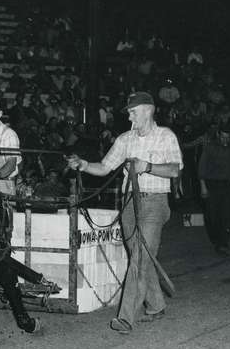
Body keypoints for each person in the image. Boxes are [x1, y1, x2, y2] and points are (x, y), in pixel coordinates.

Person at [67, 91, 182, 334]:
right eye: (129, 112)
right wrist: (84, 165)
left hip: (155, 203)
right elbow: (105, 167)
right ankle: (156, 305)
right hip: (130, 203)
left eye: (133, 111)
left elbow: (174, 170)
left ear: (148, 110)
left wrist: (147, 166)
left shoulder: (166, 137)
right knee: (141, 257)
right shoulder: (125, 139)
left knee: (140, 257)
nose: (129, 116)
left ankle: (126, 317)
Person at [198, 125, 230, 256]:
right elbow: (202, 166)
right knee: (212, 215)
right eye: (223, 137)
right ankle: (215, 239)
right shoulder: (210, 147)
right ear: (218, 135)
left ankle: (223, 243)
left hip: (227, 185)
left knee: (227, 215)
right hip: (211, 184)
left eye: (228, 137)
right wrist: (203, 186)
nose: (226, 140)